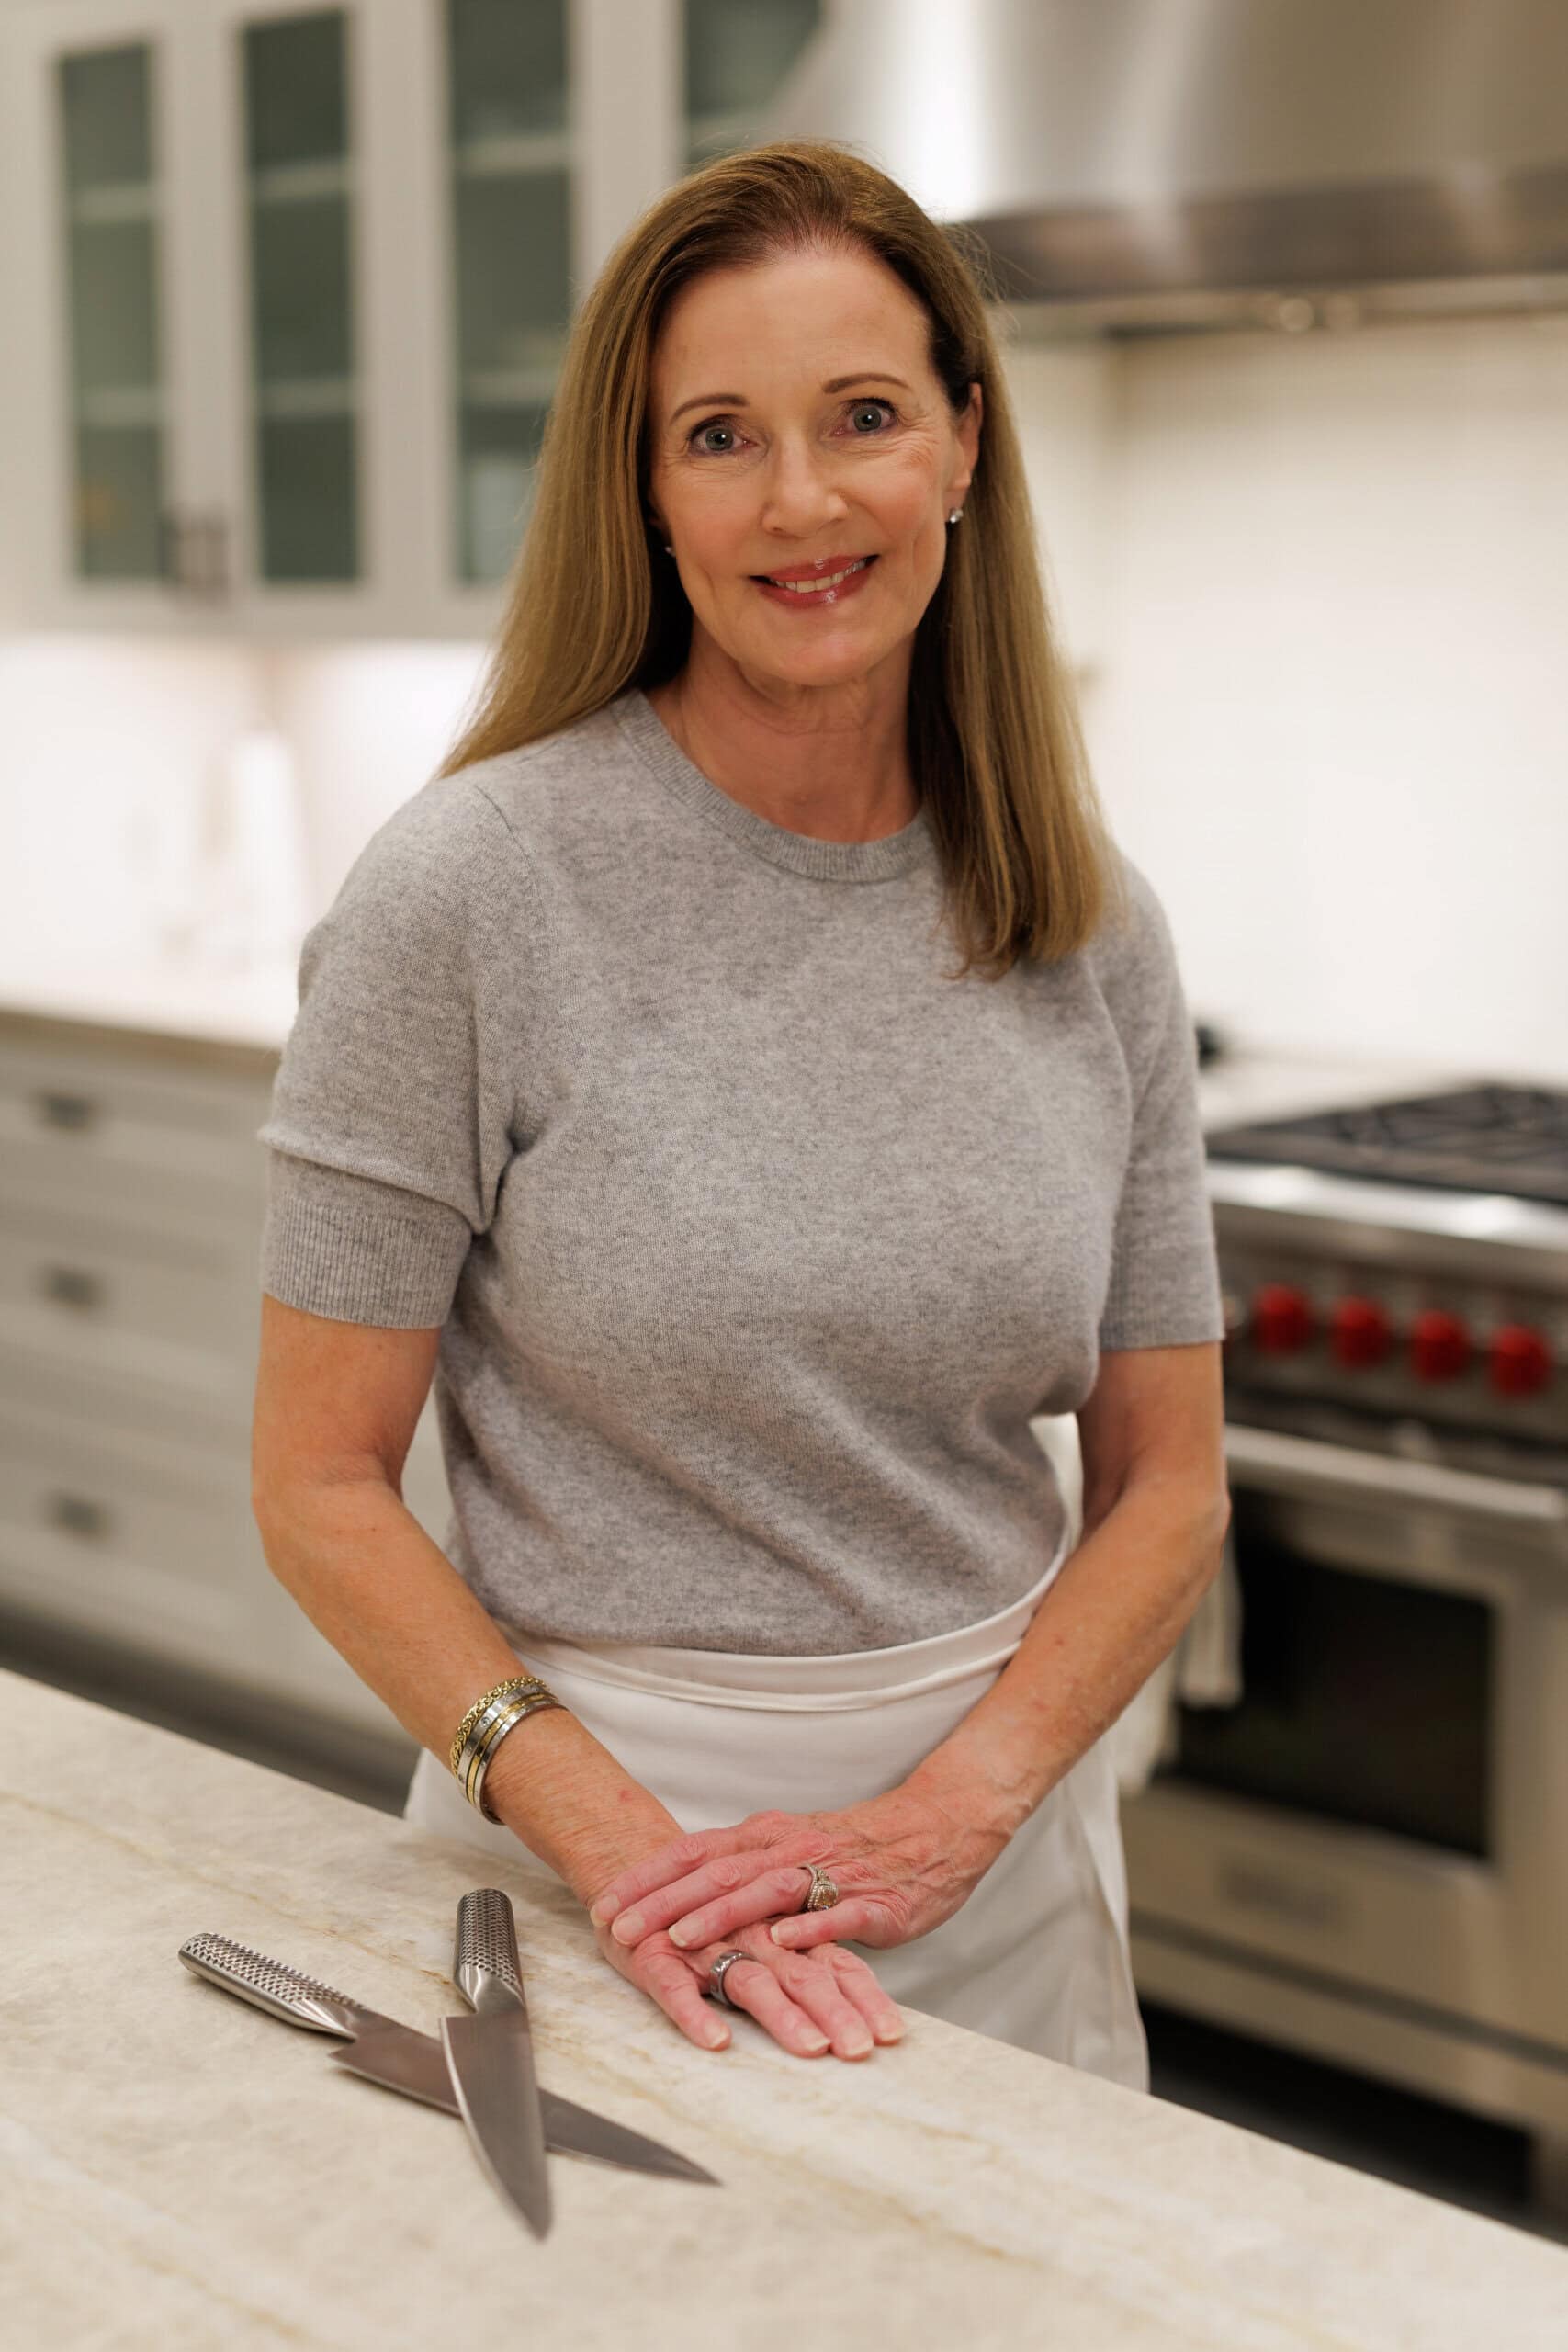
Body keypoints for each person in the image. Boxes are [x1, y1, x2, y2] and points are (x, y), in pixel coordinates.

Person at [251, 141, 1229, 2086]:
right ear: (648, 492)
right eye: (719, 434)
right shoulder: (471, 891)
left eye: (860, 415)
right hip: (595, 1881)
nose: (801, 499)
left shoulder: (1083, 912)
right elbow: (318, 1482)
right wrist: (630, 1856)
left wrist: (960, 1805)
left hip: (994, 1866)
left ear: (959, 440)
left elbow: (1165, 1478)